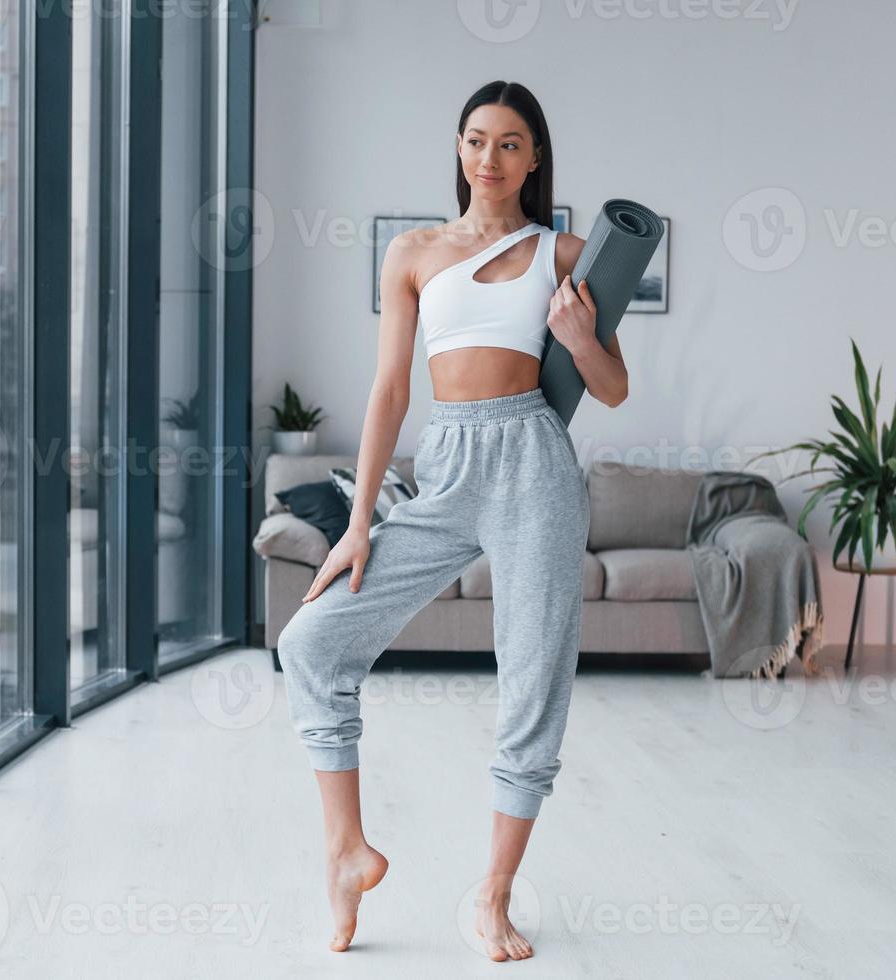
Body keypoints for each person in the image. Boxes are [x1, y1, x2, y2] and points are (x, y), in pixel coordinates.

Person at [275, 80, 629, 962]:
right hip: (447, 468)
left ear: (535, 157)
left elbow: (614, 386)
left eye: (511, 143)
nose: (491, 158)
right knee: (312, 643)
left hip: (537, 464)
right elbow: (391, 392)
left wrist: (579, 339)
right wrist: (359, 522)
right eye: (477, 139)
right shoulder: (414, 253)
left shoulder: (565, 254)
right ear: (460, 147)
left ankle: (495, 894)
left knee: (533, 680)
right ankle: (346, 850)